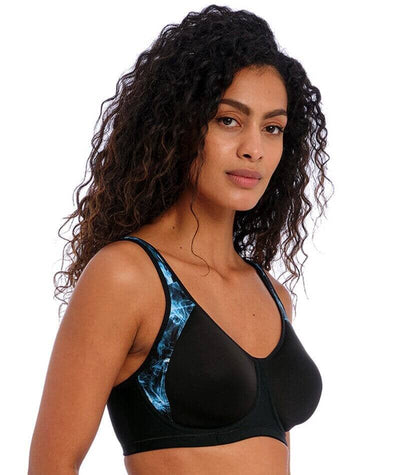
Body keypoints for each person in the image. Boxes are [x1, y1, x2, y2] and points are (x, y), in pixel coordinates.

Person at [28, 4, 332, 474]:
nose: (253, 149)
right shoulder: (127, 276)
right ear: (181, 123)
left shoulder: (274, 295)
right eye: (228, 120)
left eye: (272, 128)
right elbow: (52, 465)